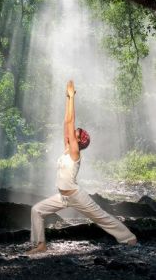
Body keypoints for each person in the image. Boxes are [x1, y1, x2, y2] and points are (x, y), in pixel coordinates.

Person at [27, 80, 137, 254]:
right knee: (37, 210)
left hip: (76, 196)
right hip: (63, 197)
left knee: (101, 217)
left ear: (78, 142)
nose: (72, 133)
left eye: (75, 134)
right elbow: (67, 123)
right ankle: (40, 245)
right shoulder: (67, 148)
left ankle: (129, 238)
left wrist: (72, 98)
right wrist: (67, 98)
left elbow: (71, 123)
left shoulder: (75, 153)